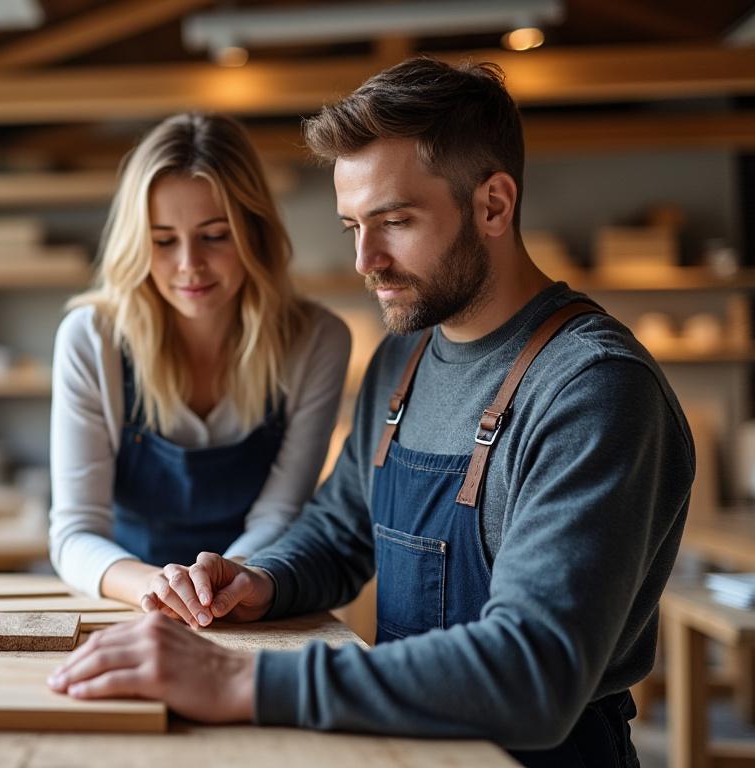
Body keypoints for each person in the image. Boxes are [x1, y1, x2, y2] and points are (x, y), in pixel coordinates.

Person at [47, 59, 693, 767]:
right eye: (352, 225)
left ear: (493, 205)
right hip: (404, 744)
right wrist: (262, 581)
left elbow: (532, 673)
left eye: (395, 221)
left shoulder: (592, 389)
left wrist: (240, 680)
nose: (364, 259)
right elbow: (338, 531)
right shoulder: (403, 358)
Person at [48, 112, 352, 626]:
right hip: (131, 604)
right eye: (164, 240)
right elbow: (75, 533)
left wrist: (224, 584)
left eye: (214, 235)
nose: (189, 263)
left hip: (253, 598)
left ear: (255, 233)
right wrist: (159, 587)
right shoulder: (91, 339)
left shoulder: (317, 341)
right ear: (136, 243)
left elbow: (280, 513)